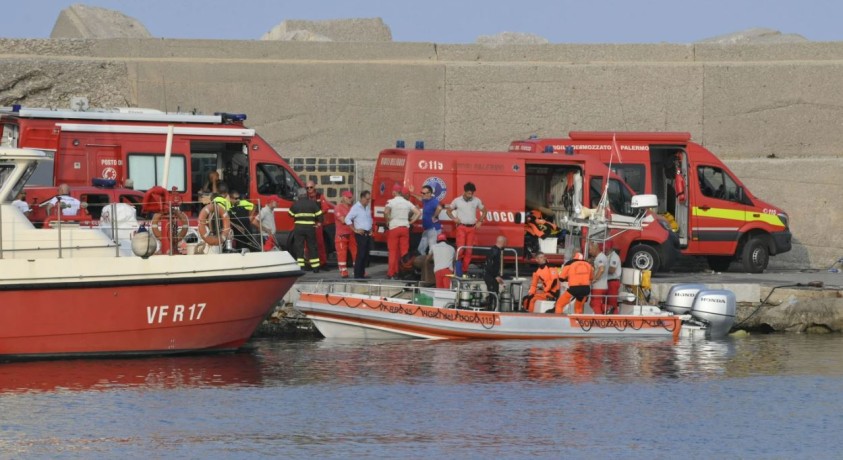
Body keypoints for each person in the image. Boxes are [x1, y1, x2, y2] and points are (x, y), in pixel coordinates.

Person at [446, 182, 485, 275]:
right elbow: (448, 211)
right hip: (461, 228)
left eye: (472, 193)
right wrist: (454, 219)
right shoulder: (457, 200)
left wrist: (480, 221)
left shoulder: (476, 200)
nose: (470, 195)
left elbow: (484, 211)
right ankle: (457, 270)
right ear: (464, 191)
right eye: (468, 193)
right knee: (460, 249)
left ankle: (464, 271)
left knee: (469, 251)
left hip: (472, 228)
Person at [384, 184, 421, 279]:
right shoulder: (407, 202)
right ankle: (403, 272)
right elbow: (418, 213)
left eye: (392, 191)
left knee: (393, 252)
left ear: (395, 192)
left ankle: (391, 273)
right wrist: (411, 221)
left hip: (394, 228)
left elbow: (386, 212)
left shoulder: (391, 202)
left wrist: (388, 221)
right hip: (405, 228)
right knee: (404, 252)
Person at [288, 187, 323, 272]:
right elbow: (320, 214)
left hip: (299, 228)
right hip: (310, 228)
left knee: (299, 246)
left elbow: (290, 214)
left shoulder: (296, 204)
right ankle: (315, 268)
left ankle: (301, 267)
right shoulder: (312, 203)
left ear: (299, 195)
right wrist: (319, 223)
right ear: (306, 194)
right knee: (312, 247)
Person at [345, 190, 373, 279]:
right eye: (367, 199)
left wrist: (371, 228)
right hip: (360, 233)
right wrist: (355, 230)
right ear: (362, 198)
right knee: (360, 254)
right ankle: (357, 275)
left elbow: (369, 219)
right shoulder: (356, 208)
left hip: (367, 233)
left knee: (365, 255)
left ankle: (362, 273)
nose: (368, 201)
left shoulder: (367, 207)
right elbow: (347, 219)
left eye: (369, 199)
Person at [410, 184, 443, 255]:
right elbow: (419, 198)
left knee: (432, 249)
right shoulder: (425, 200)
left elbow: (439, 208)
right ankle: (425, 264)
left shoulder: (434, 201)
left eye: (424, 193)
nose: (422, 194)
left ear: (430, 193)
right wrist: (411, 194)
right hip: (427, 229)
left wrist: (434, 216)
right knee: (421, 249)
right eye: (421, 192)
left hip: (433, 229)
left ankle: (434, 265)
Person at [306, 180, 332, 268]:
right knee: (307, 244)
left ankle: (323, 262)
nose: (309, 189)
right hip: (308, 223)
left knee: (320, 243)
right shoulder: (304, 197)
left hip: (317, 223)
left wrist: (317, 213)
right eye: (307, 188)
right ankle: (309, 263)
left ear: (314, 187)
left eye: (311, 187)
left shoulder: (320, 196)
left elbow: (326, 208)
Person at [334, 190, 358, 278]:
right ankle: (343, 271)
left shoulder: (353, 207)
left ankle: (358, 270)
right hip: (341, 234)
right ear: (343, 197)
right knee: (342, 253)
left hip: (352, 233)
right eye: (349, 197)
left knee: (356, 252)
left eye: (351, 197)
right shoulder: (338, 207)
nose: (350, 199)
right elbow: (343, 220)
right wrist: (352, 219)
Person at [483, 235, 507, 308]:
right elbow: (489, 265)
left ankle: (492, 308)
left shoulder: (496, 250)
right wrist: (496, 276)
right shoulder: (495, 251)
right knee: (493, 294)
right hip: (490, 275)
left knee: (494, 293)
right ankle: (491, 309)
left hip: (492, 275)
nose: (506, 244)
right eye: (505, 242)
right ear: (502, 242)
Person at [589, 241, 609, 314]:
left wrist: (594, 279)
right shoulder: (603, 257)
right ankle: (608, 308)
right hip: (603, 286)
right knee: (593, 303)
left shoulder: (599, 258)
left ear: (595, 248)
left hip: (598, 286)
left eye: (590, 250)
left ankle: (599, 320)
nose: (590, 252)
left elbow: (601, 269)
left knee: (595, 304)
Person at [605, 240, 623, 314]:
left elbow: (612, 270)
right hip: (608, 282)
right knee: (608, 302)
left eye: (606, 248)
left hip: (613, 282)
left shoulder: (614, 257)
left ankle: (615, 317)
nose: (605, 250)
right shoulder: (608, 256)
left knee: (612, 302)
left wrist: (601, 269)